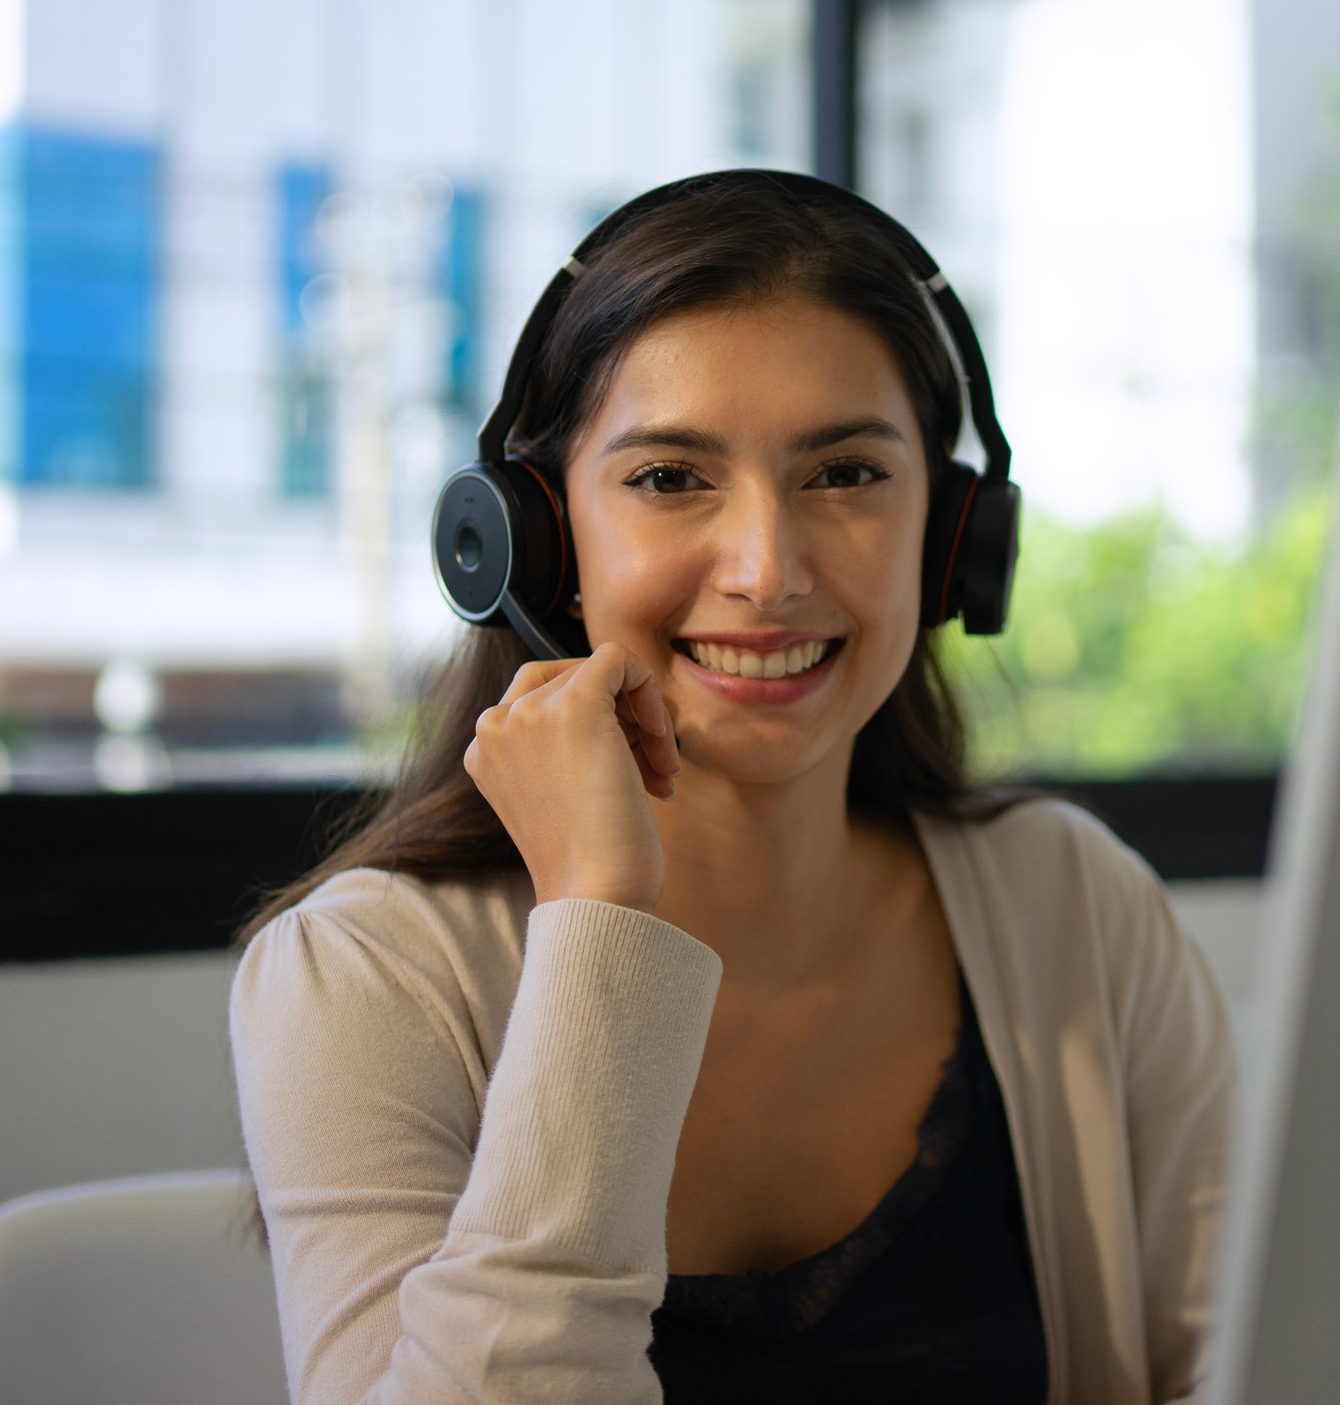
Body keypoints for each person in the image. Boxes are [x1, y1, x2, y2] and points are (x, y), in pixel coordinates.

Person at [230, 170, 1233, 1404]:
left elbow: (1261, 1360)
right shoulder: (363, 978)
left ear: (950, 533)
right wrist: (597, 928)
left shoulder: (1074, 907)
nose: (767, 570)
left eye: (846, 473)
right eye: (669, 478)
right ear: (538, 541)